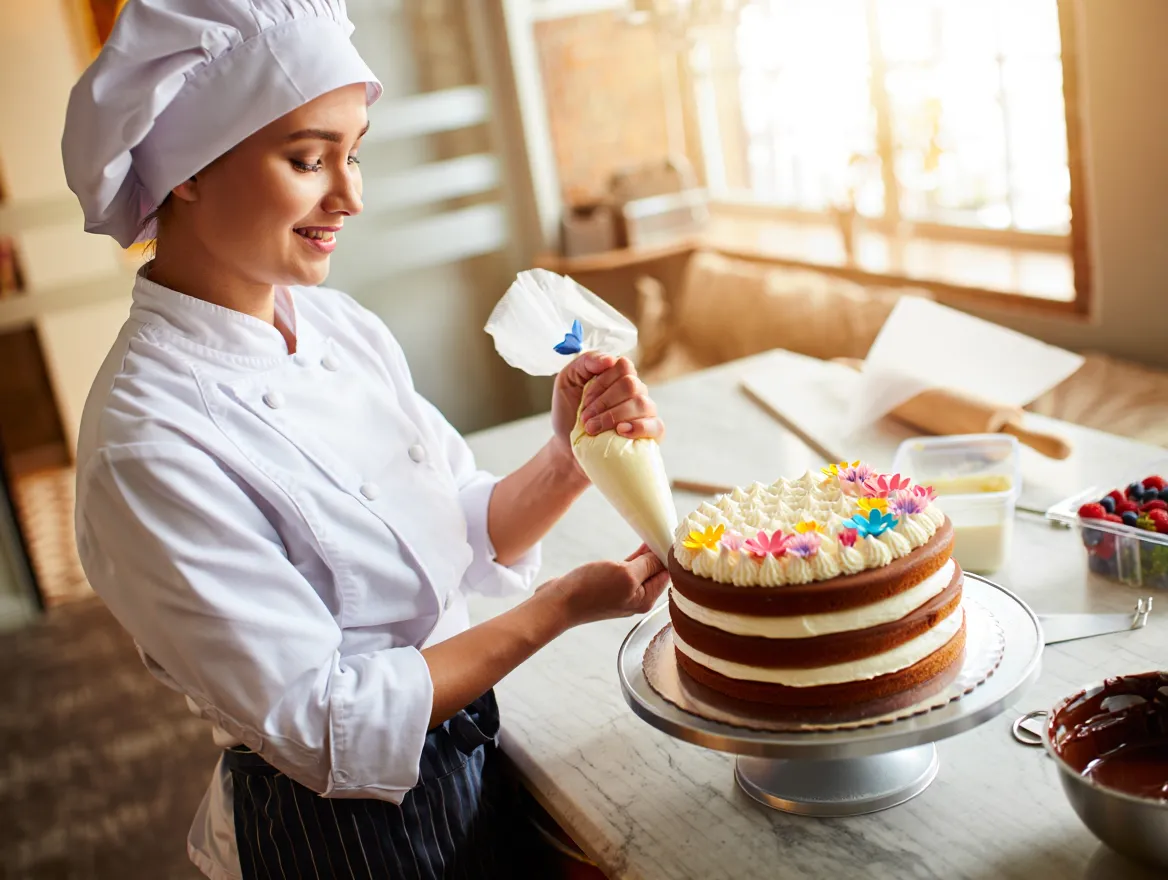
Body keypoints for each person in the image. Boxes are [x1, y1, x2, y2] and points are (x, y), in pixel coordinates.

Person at [61, 2, 670, 878]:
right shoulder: (146, 442)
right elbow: (321, 721)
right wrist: (558, 609)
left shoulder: (337, 324)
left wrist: (568, 457)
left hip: (470, 756)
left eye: (355, 153)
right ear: (187, 170)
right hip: (341, 835)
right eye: (309, 159)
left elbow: (456, 528)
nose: (352, 196)